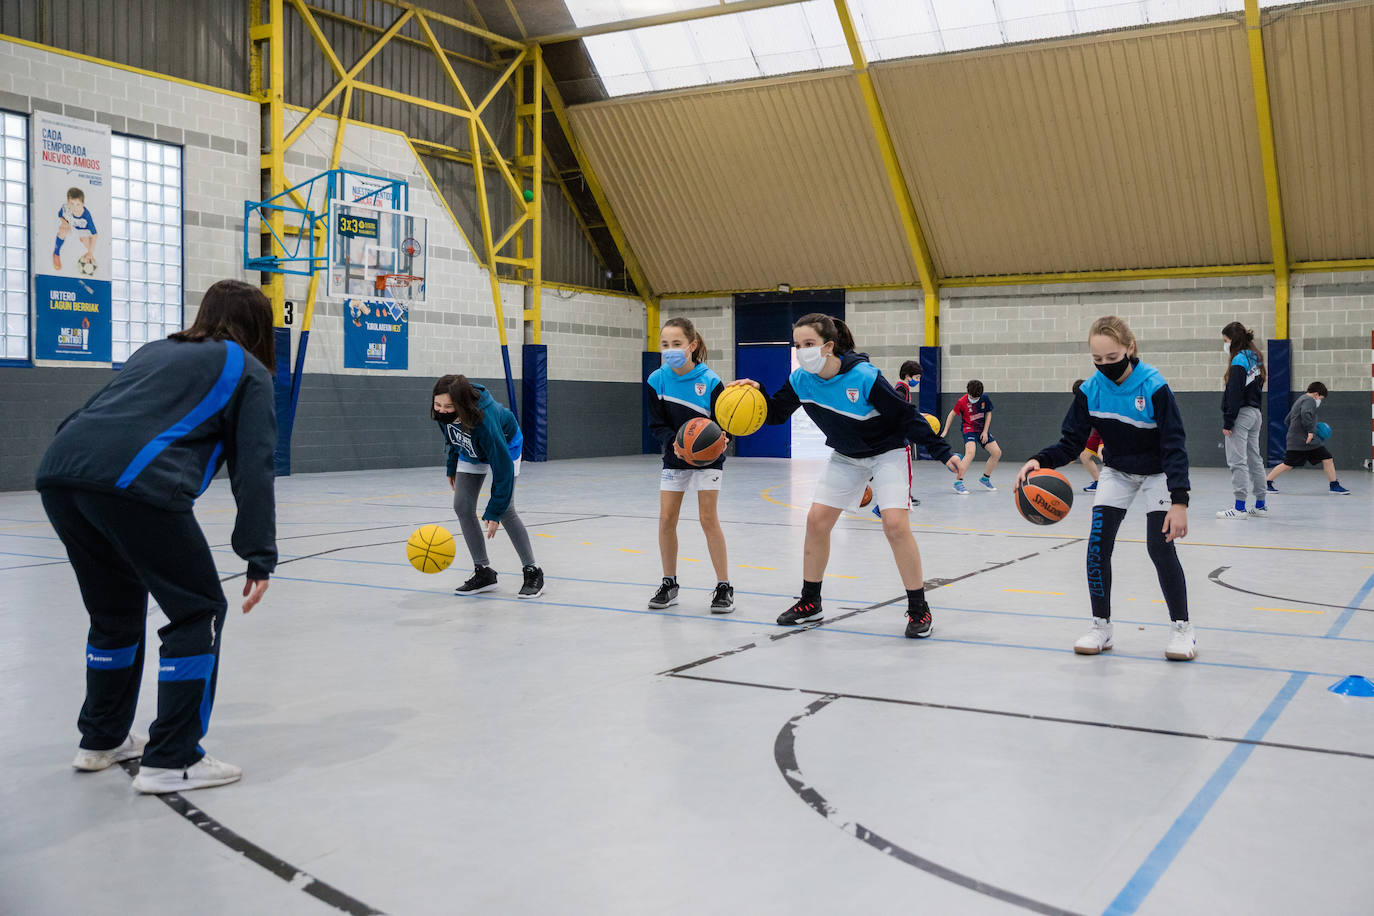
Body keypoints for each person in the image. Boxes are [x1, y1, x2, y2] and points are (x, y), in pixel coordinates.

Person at [35, 279, 278, 793]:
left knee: (114, 613)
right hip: (133, 483)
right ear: (260, 326)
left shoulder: (157, 349)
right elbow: (254, 468)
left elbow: (86, 414)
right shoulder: (246, 369)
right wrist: (259, 556)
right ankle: (173, 759)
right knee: (197, 612)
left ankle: (101, 739)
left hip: (60, 473)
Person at [730, 313, 958, 638]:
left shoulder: (864, 376)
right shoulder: (800, 381)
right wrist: (754, 392)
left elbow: (906, 416)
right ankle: (810, 602)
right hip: (846, 457)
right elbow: (774, 414)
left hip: (887, 454)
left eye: (808, 344)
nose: (801, 350)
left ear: (828, 346)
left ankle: (919, 608)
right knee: (816, 522)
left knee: (894, 526)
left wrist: (943, 452)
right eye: (797, 345)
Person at [1015, 316, 1196, 661]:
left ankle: (1182, 629)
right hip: (1117, 471)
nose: (1105, 366)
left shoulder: (1154, 387)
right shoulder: (1090, 391)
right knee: (1097, 547)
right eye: (1097, 360)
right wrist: (1040, 460)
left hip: (1158, 472)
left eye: (1112, 359)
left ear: (1130, 348)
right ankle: (1102, 626)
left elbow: (1175, 446)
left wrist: (1179, 501)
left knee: (1160, 548)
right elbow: (1071, 442)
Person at [645, 317, 733, 613]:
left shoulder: (710, 381)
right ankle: (669, 583)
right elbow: (656, 424)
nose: (670, 349)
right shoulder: (657, 380)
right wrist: (676, 443)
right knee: (666, 519)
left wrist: (722, 439)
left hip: (708, 460)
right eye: (665, 345)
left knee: (708, 520)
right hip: (674, 459)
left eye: (676, 344)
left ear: (692, 345)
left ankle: (724, 587)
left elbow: (725, 423)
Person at [433, 374, 545, 598]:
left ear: (462, 404)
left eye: (448, 406)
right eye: (437, 404)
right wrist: (451, 465)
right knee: (462, 507)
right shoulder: (444, 413)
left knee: (505, 510)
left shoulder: (486, 421)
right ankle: (483, 572)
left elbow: (502, 469)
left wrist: (493, 511)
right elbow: (451, 436)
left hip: (505, 446)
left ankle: (533, 570)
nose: (442, 410)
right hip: (470, 446)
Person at [1218, 321, 1268, 518]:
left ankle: (1239, 507)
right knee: (1255, 459)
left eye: (1225, 341)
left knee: (1237, 461)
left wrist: (1228, 421)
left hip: (1241, 414)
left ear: (1233, 340)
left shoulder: (1239, 360)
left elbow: (1235, 392)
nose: (1224, 345)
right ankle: (1261, 504)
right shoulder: (1255, 358)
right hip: (1255, 414)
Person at [1265, 382, 1350, 495]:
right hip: (1303, 440)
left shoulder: (1301, 399)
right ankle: (1266, 483)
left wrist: (1296, 431)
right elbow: (1306, 414)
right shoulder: (1309, 401)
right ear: (1316, 394)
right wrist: (1310, 431)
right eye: (1321, 398)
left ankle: (1334, 485)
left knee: (1327, 458)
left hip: (1304, 440)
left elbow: (1287, 420)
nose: (1320, 400)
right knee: (1288, 464)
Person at [941, 380, 1001, 494]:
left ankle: (985, 479)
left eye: (976, 398)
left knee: (997, 452)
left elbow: (988, 413)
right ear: (967, 393)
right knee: (970, 452)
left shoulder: (984, 398)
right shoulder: (962, 401)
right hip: (969, 429)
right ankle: (958, 483)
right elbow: (952, 414)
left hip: (982, 430)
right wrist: (945, 431)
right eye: (972, 397)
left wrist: (985, 431)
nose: (974, 399)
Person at [53, 186, 99, 273]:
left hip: (82, 229)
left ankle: (89, 257)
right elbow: (60, 215)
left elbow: (95, 235)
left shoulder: (86, 216)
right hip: (70, 225)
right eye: (72, 203)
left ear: (82, 204)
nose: (74, 207)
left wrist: (90, 252)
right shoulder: (65, 208)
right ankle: (56, 253)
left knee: (89, 245)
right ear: (68, 202)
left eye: (78, 204)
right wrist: (64, 222)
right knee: (63, 229)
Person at [1072, 379, 1104, 492]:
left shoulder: (1100, 398)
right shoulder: (1084, 403)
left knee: (1103, 454)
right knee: (1084, 456)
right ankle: (1099, 482)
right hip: (1097, 431)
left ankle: (1116, 483)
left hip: (1107, 429)